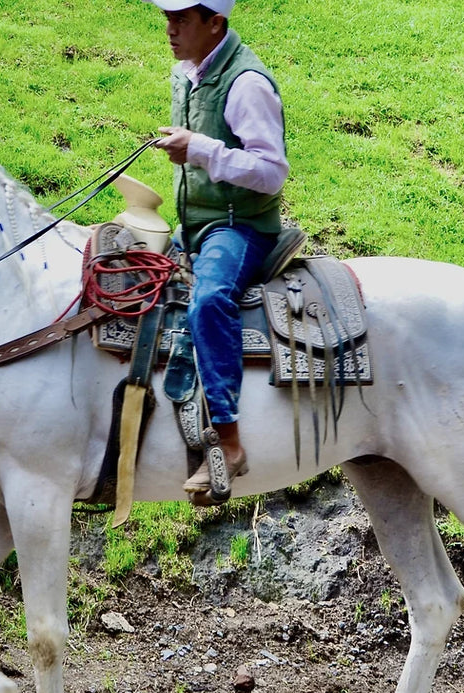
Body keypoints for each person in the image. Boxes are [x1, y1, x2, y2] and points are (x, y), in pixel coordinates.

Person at [149, 0, 289, 496]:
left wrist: (202, 150)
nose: (169, 30)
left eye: (180, 20)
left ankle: (229, 442)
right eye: (168, 19)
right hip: (194, 224)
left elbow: (272, 173)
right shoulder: (187, 71)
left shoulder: (246, 84)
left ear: (215, 24)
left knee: (209, 299)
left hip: (239, 228)